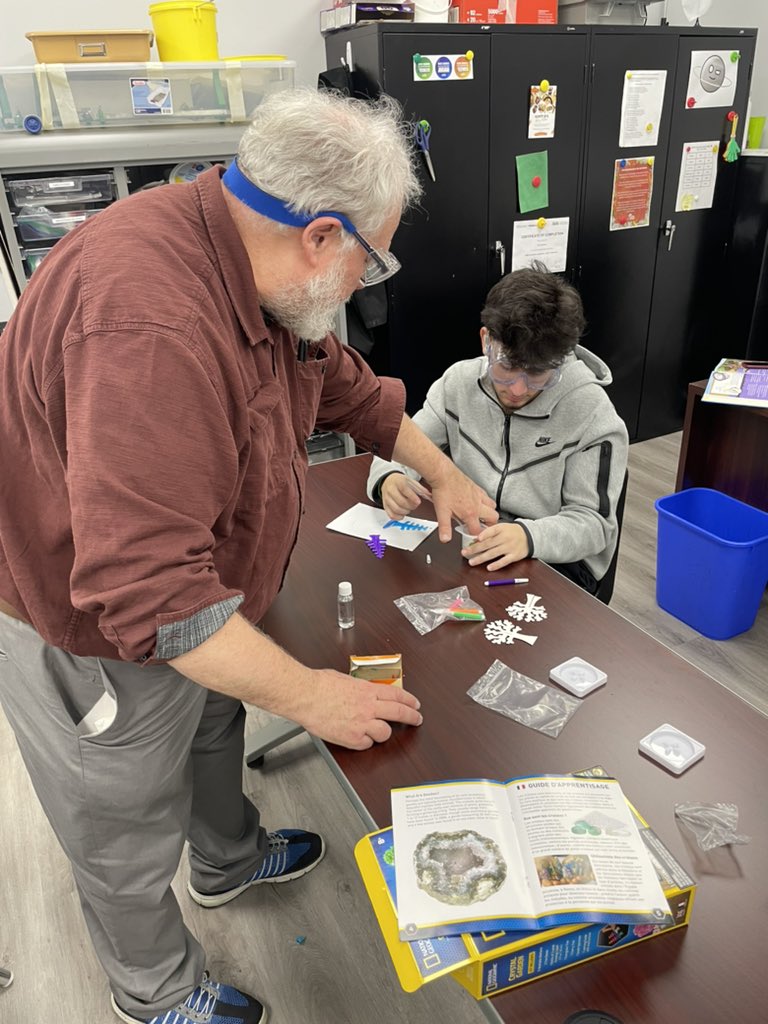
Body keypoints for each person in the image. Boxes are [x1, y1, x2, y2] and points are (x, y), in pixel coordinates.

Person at [0, 89, 497, 1024]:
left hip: (207, 598)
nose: (364, 283)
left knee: (212, 726)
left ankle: (226, 859)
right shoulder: (149, 323)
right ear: (320, 236)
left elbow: (346, 388)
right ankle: (154, 993)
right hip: (93, 628)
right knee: (122, 826)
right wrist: (313, 696)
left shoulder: (250, 256)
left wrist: (443, 473)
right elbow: (148, 595)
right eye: (372, 259)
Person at [367, 267, 629, 595]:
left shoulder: (591, 412)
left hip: (555, 556)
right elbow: (403, 442)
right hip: (475, 537)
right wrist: (388, 477)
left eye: (537, 375)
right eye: (507, 368)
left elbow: (594, 525)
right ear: (486, 340)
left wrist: (527, 536)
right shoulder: (458, 383)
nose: (518, 389)